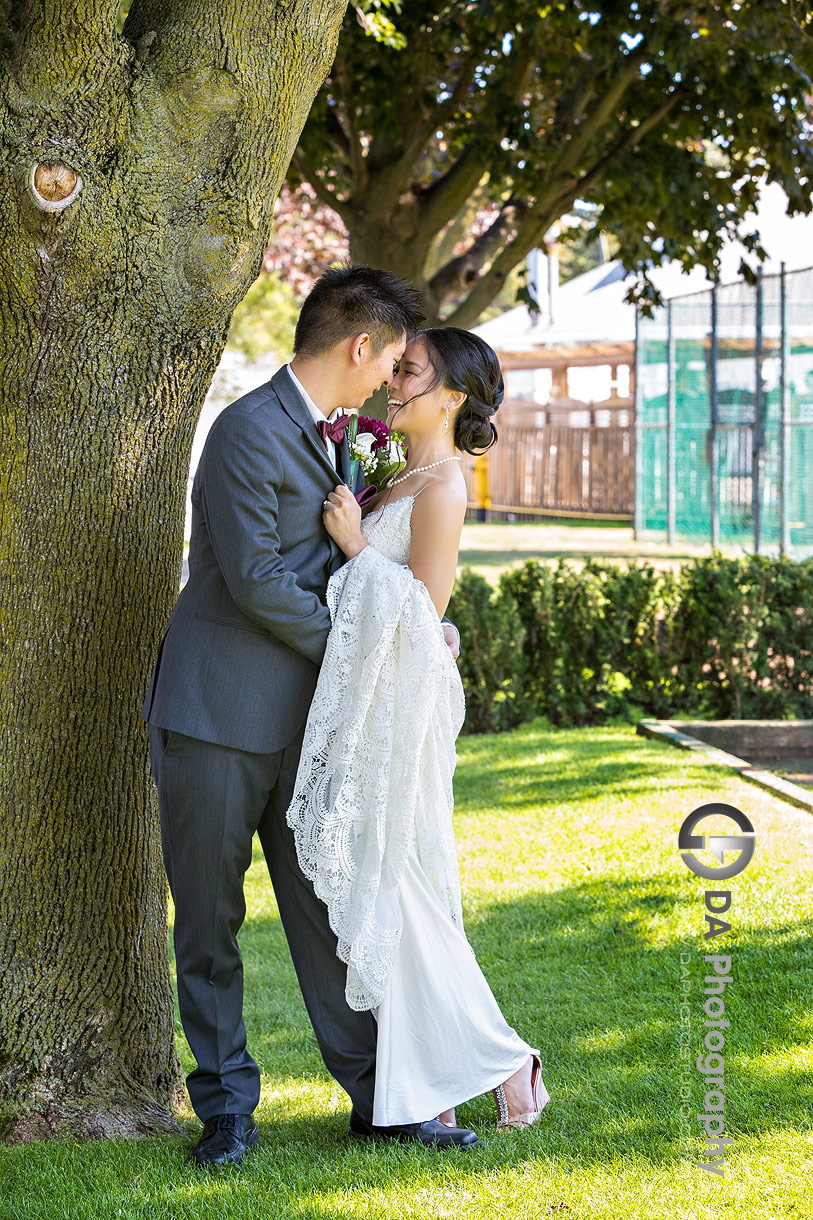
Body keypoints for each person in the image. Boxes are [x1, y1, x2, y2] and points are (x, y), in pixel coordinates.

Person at [142, 266, 475, 1167]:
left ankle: (380, 1097)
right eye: (392, 362)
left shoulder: (342, 439)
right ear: (359, 347)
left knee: (332, 903)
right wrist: (365, 647)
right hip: (215, 713)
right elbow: (253, 582)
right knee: (208, 924)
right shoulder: (247, 430)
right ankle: (226, 1110)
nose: (389, 383)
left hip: (311, 724)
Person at [286, 327, 550, 1139]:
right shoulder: (402, 472)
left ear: (451, 397)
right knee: (381, 883)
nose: (392, 381)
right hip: (373, 695)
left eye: (409, 372)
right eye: (395, 367)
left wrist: (358, 546)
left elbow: (423, 611)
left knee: (394, 882)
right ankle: (429, 1082)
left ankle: (502, 1060)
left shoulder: (442, 489)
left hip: (401, 707)